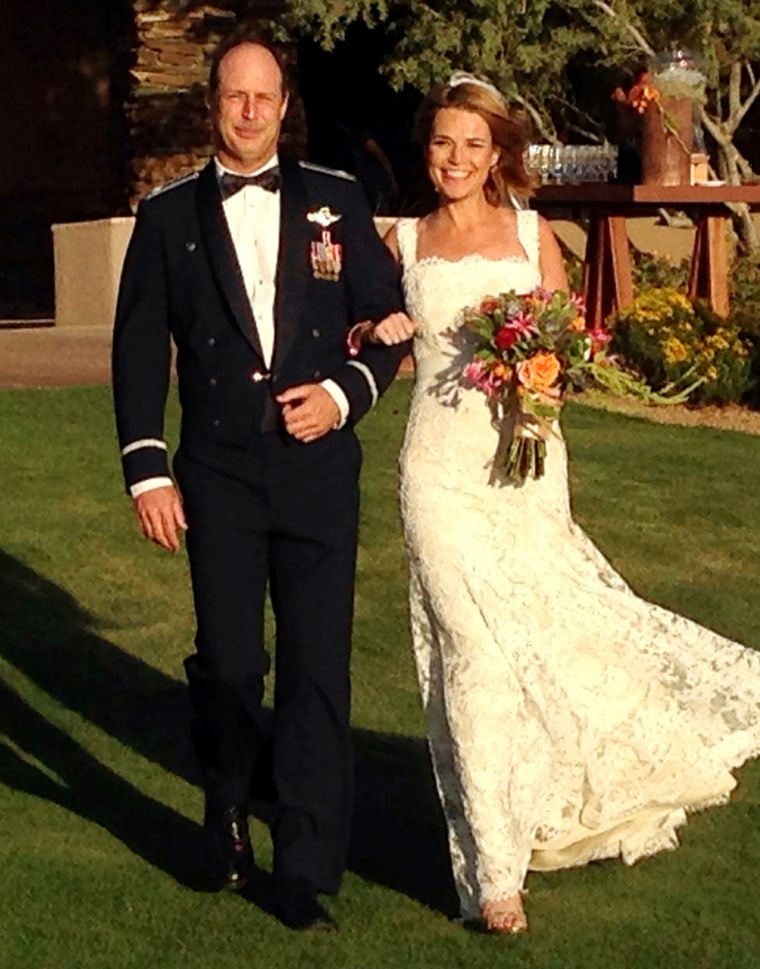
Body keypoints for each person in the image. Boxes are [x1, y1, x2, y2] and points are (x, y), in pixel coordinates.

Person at [360, 73, 760, 934]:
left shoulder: (535, 234)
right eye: (442, 142)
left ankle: (541, 794)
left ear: (498, 152)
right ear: (425, 150)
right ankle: (493, 877)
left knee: (544, 637)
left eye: (474, 144)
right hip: (436, 471)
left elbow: (565, 351)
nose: (456, 159)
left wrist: (537, 384)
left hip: (526, 467)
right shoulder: (398, 240)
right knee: (469, 652)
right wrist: (374, 329)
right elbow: (343, 319)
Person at [112, 28, 408, 932]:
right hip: (218, 477)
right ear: (213, 106)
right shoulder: (165, 215)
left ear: (286, 106)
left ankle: (306, 869)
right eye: (234, 96)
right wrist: (146, 471)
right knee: (234, 667)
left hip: (319, 471)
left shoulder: (337, 201)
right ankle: (228, 811)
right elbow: (134, 351)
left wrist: (343, 393)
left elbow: (387, 325)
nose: (249, 110)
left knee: (318, 671)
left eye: (264, 96)